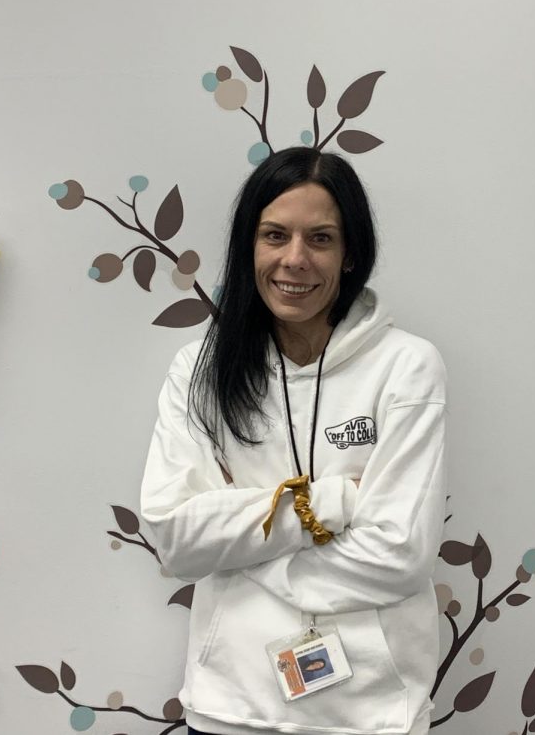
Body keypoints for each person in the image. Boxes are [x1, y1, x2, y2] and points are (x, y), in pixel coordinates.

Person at [140, 147, 448, 735]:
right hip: (230, 704)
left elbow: (398, 557)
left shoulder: (406, 367)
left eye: (321, 239)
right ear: (248, 246)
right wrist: (335, 504)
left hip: (373, 710)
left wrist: (239, 548)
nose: (294, 260)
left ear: (351, 251)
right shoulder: (200, 369)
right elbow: (175, 540)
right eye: (274, 235)